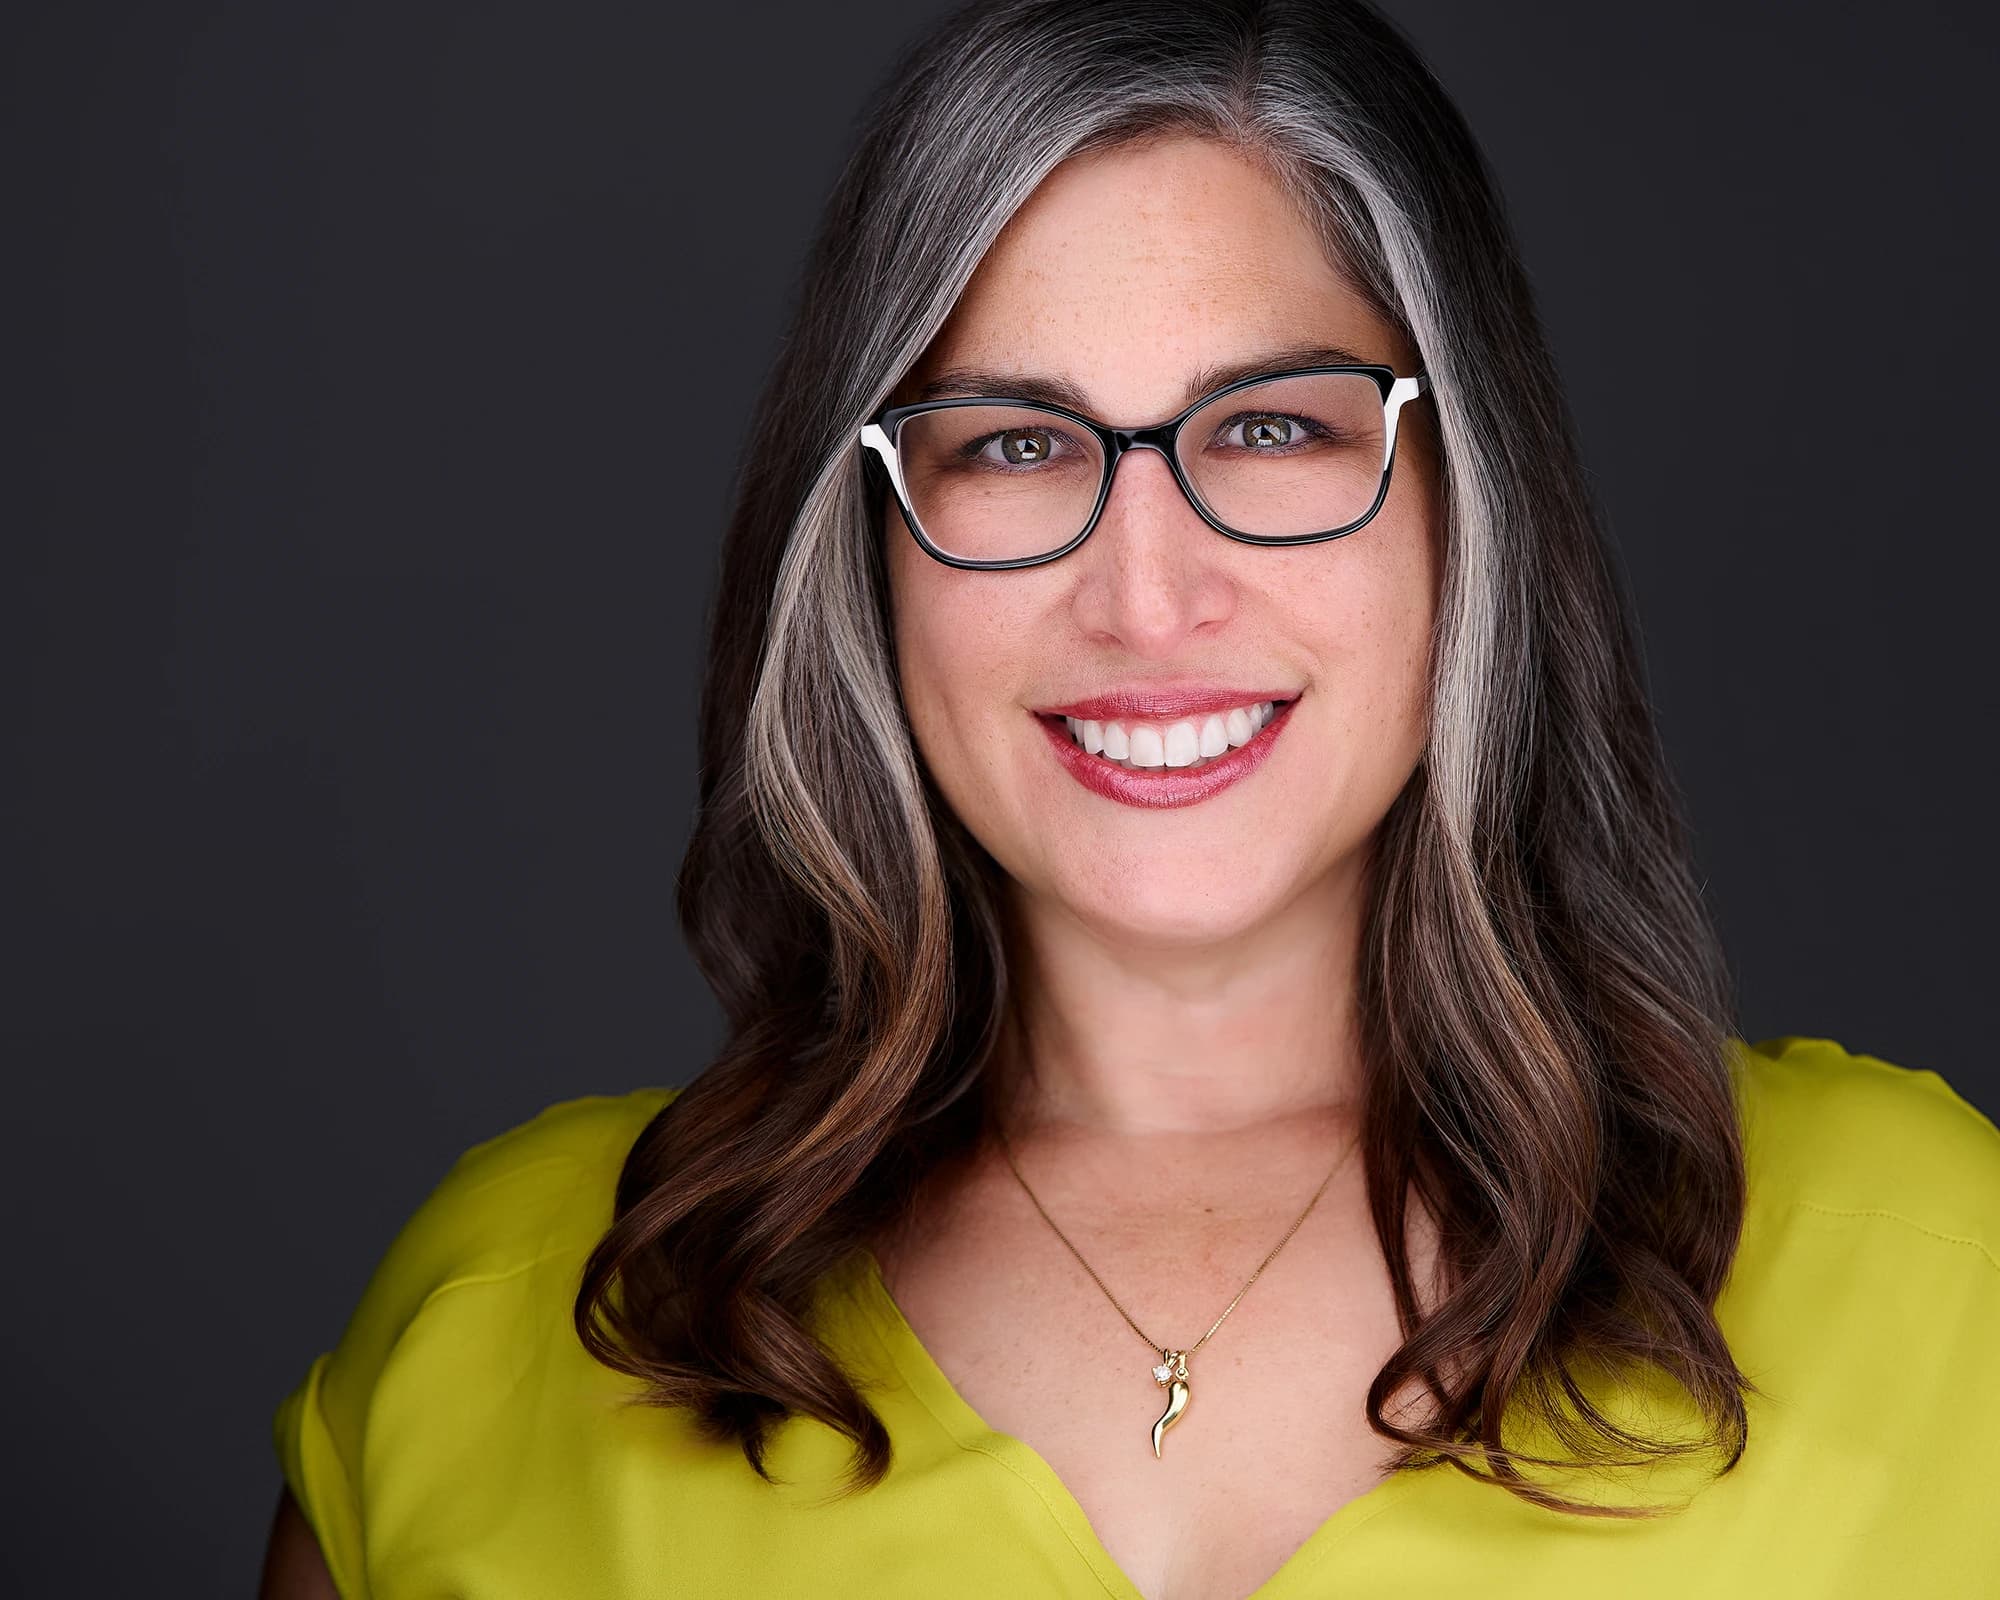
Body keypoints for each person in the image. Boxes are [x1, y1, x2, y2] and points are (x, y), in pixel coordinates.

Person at [258, 1, 2000, 1596]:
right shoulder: (503, 1334)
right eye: (1013, 445)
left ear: (1472, 496)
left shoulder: (1941, 1287)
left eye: (1270, 428)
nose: (1146, 597)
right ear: (868, 548)